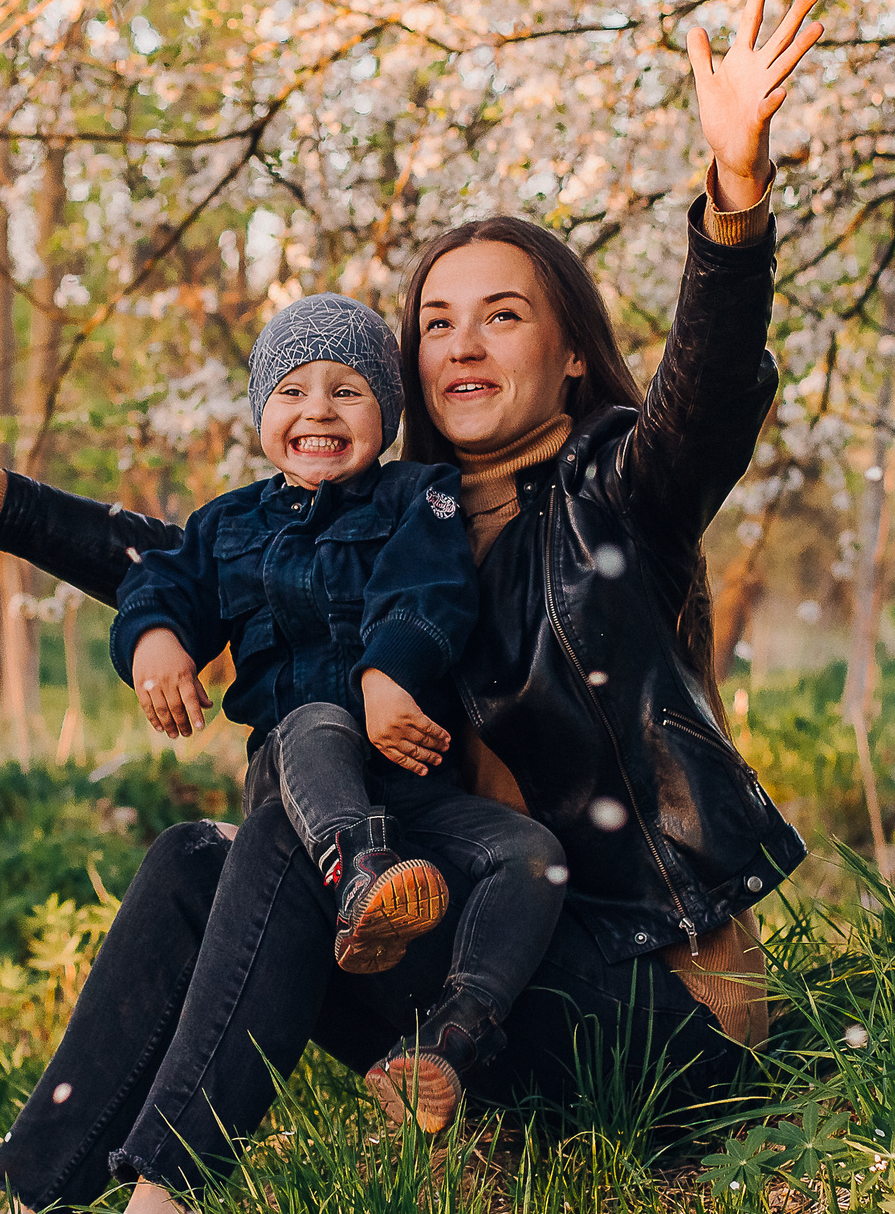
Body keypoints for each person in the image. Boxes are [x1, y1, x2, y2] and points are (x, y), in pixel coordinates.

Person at [0, 0, 822, 1214]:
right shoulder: (392, 524)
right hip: (485, 999)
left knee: (274, 810)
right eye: (436, 319)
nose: (462, 341)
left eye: (504, 313)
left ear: (567, 356)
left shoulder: (623, 491)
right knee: (198, 854)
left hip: (648, 1013)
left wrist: (733, 194)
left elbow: (708, 393)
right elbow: (168, 556)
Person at [114, 292, 570, 1129]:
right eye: (291, 390)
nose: (317, 409)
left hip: (409, 787)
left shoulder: (417, 497)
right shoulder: (227, 527)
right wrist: (155, 643)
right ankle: (354, 869)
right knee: (316, 718)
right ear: (261, 409)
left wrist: (389, 670)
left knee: (533, 853)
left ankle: (448, 1040)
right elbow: (159, 583)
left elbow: (427, 585)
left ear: (388, 413)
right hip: (301, 788)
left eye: (347, 389)